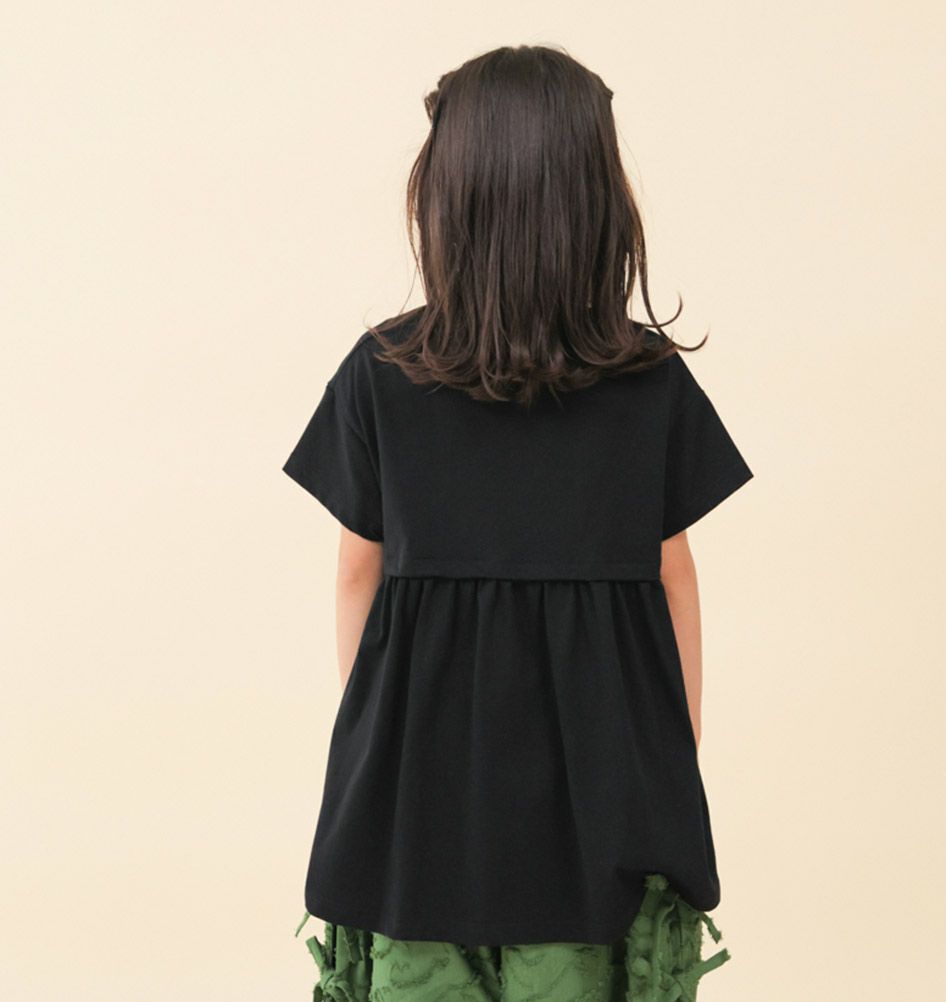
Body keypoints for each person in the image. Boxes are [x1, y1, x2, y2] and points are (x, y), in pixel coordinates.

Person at [282, 44, 754, 1001]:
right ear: (595, 200)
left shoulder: (382, 373)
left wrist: (382, 741)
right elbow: (675, 579)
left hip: (420, 801)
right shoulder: (648, 379)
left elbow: (356, 576)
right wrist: (671, 758)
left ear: (449, 198)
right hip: (603, 797)